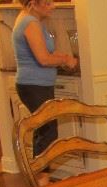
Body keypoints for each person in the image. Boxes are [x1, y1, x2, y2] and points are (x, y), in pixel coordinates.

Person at [12, 0, 77, 156]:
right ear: (33, 4)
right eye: (47, 3)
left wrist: (64, 57)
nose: (53, 6)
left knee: (44, 131)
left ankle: (40, 177)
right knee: (48, 133)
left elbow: (44, 54)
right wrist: (65, 60)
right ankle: (40, 178)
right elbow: (43, 59)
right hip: (34, 85)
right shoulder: (30, 23)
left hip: (35, 85)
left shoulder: (28, 20)